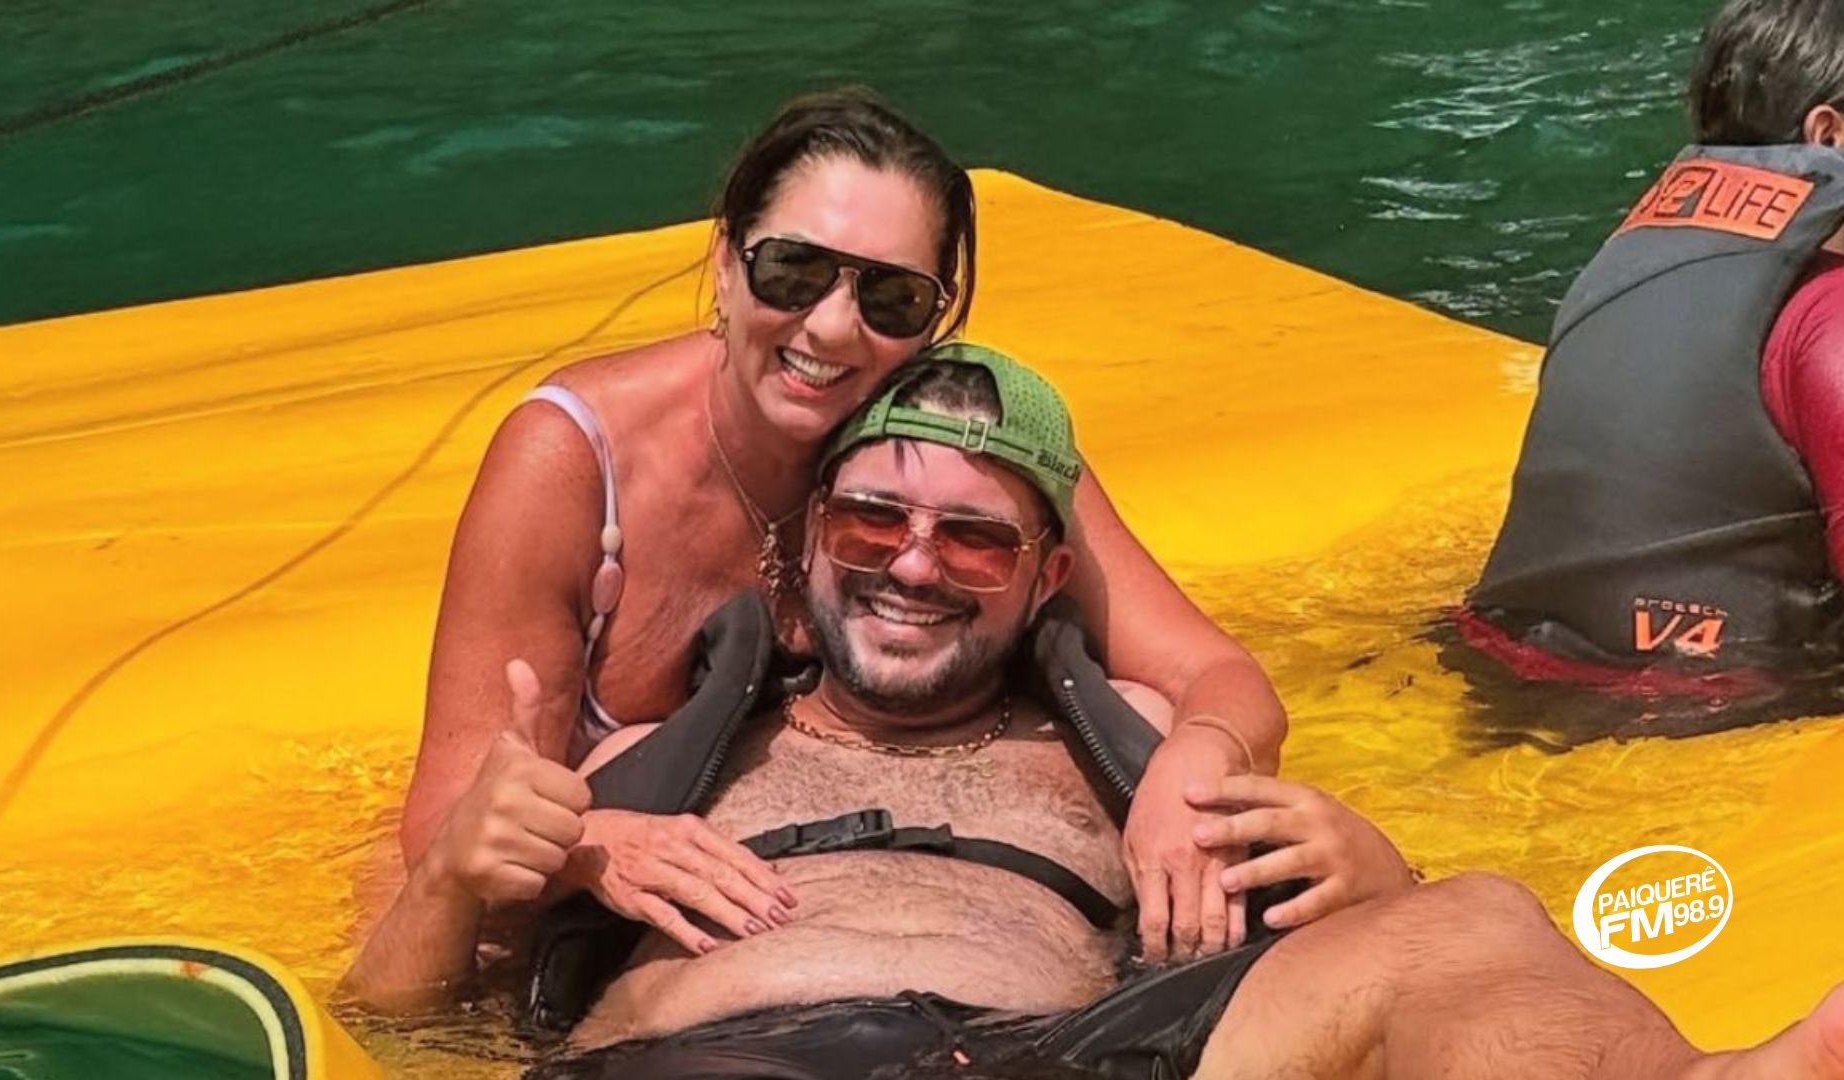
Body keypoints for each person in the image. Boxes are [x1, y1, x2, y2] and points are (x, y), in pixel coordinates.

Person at [346, 349, 1844, 1080]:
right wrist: (457, 871)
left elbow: (1358, 934)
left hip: (1063, 1055)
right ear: (806, 554)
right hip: (731, 1057)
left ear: (1047, 574)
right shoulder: (631, 769)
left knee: (1478, 920)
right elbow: (388, 1015)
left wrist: (1372, 868)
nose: (913, 566)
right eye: (872, 522)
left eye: (973, 540)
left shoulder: (1118, 753)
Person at [401, 89, 1286, 962]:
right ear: (725, 263)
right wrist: (596, 840)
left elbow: (1220, 679)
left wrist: (1193, 766)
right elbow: (446, 832)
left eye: (891, 298)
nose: (831, 327)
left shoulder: (965, 447)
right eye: (793, 271)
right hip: (622, 925)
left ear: (933, 320)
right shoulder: (571, 464)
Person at [1467, 0, 1844, 698]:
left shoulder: (1629, 263)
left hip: (1505, 666)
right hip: (1705, 708)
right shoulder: (1827, 313)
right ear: (1829, 134)